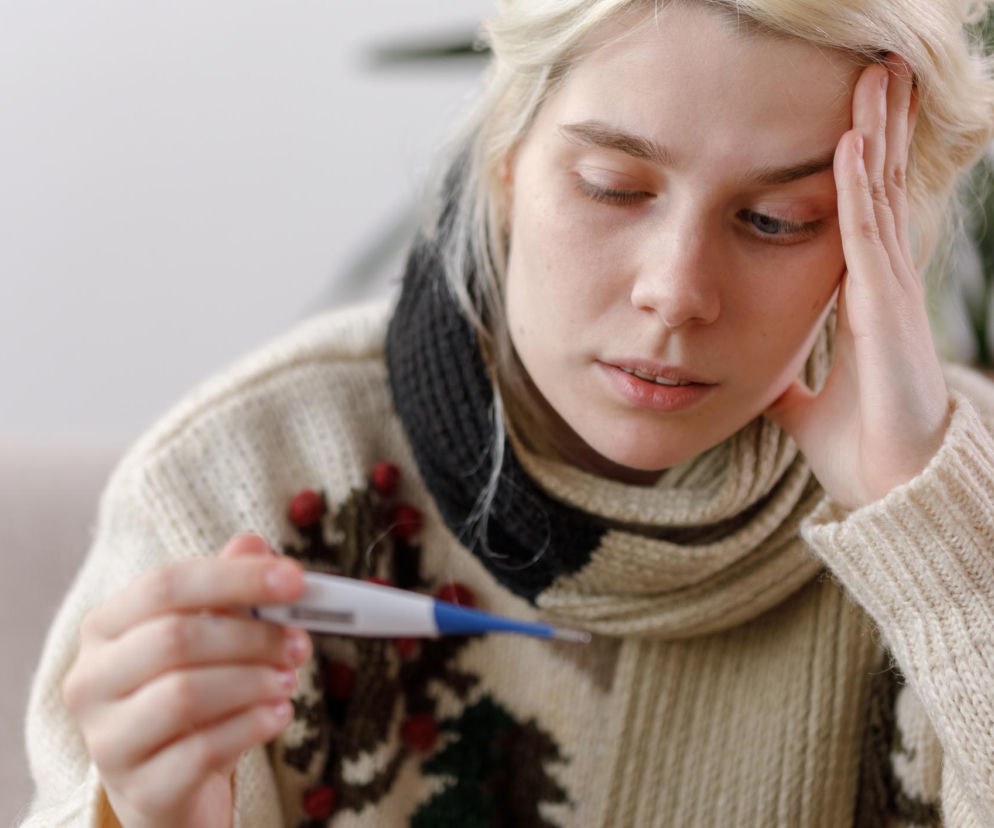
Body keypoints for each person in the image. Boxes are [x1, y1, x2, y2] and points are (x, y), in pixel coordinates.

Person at [21, 0, 994, 825]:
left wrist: (941, 554)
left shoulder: (964, 511)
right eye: (613, 188)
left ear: (883, 237)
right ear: (506, 161)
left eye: (775, 220)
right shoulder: (239, 477)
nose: (676, 291)